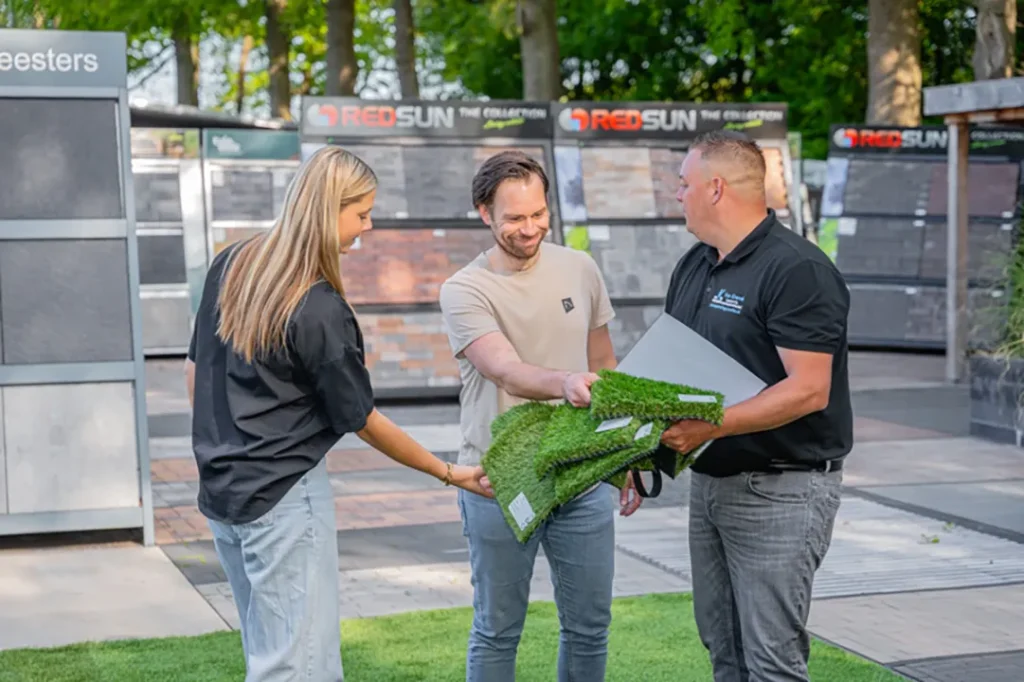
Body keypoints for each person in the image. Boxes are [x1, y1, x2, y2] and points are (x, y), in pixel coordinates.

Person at [183, 145, 492, 682]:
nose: (367, 227)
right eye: (361, 212)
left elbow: (196, 371)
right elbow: (362, 418)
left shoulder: (231, 263)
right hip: (283, 499)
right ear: (329, 209)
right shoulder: (319, 306)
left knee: (277, 656)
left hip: (224, 491)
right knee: (298, 667)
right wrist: (449, 472)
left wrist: (223, 448)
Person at [438, 150, 642, 682]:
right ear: (484, 213)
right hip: (497, 478)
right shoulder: (464, 290)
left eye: (538, 214)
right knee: (498, 628)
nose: (529, 229)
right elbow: (504, 370)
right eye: (514, 218)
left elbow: (604, 365)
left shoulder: (580, 267)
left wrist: (626, 458)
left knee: (590, 627)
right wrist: (565, 382)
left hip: (583, 476)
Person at [659, 130, 852, 682]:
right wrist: (638, 455)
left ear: (715, 188)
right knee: (724, 651)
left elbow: (809, 389)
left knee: (772, 663)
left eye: (684, 184)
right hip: (712, 483)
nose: (678, 195)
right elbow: (672, 373)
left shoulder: (798, 270)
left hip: (782, 491)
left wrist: (707, 427)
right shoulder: (695, 264)